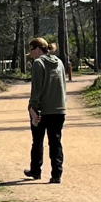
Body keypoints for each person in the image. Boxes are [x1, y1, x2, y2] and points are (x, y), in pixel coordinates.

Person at [26, 37, 68, 182]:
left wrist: (32, 107)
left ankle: (36, 171)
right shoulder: (60, 62)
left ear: (37, 49)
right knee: (55, 141)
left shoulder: (38, 64)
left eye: (31, 50)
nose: (30, 54)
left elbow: (36, 89)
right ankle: (57, 174)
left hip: (42, 110)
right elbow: (63, 85)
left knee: (37, 140)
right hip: (59, 109)